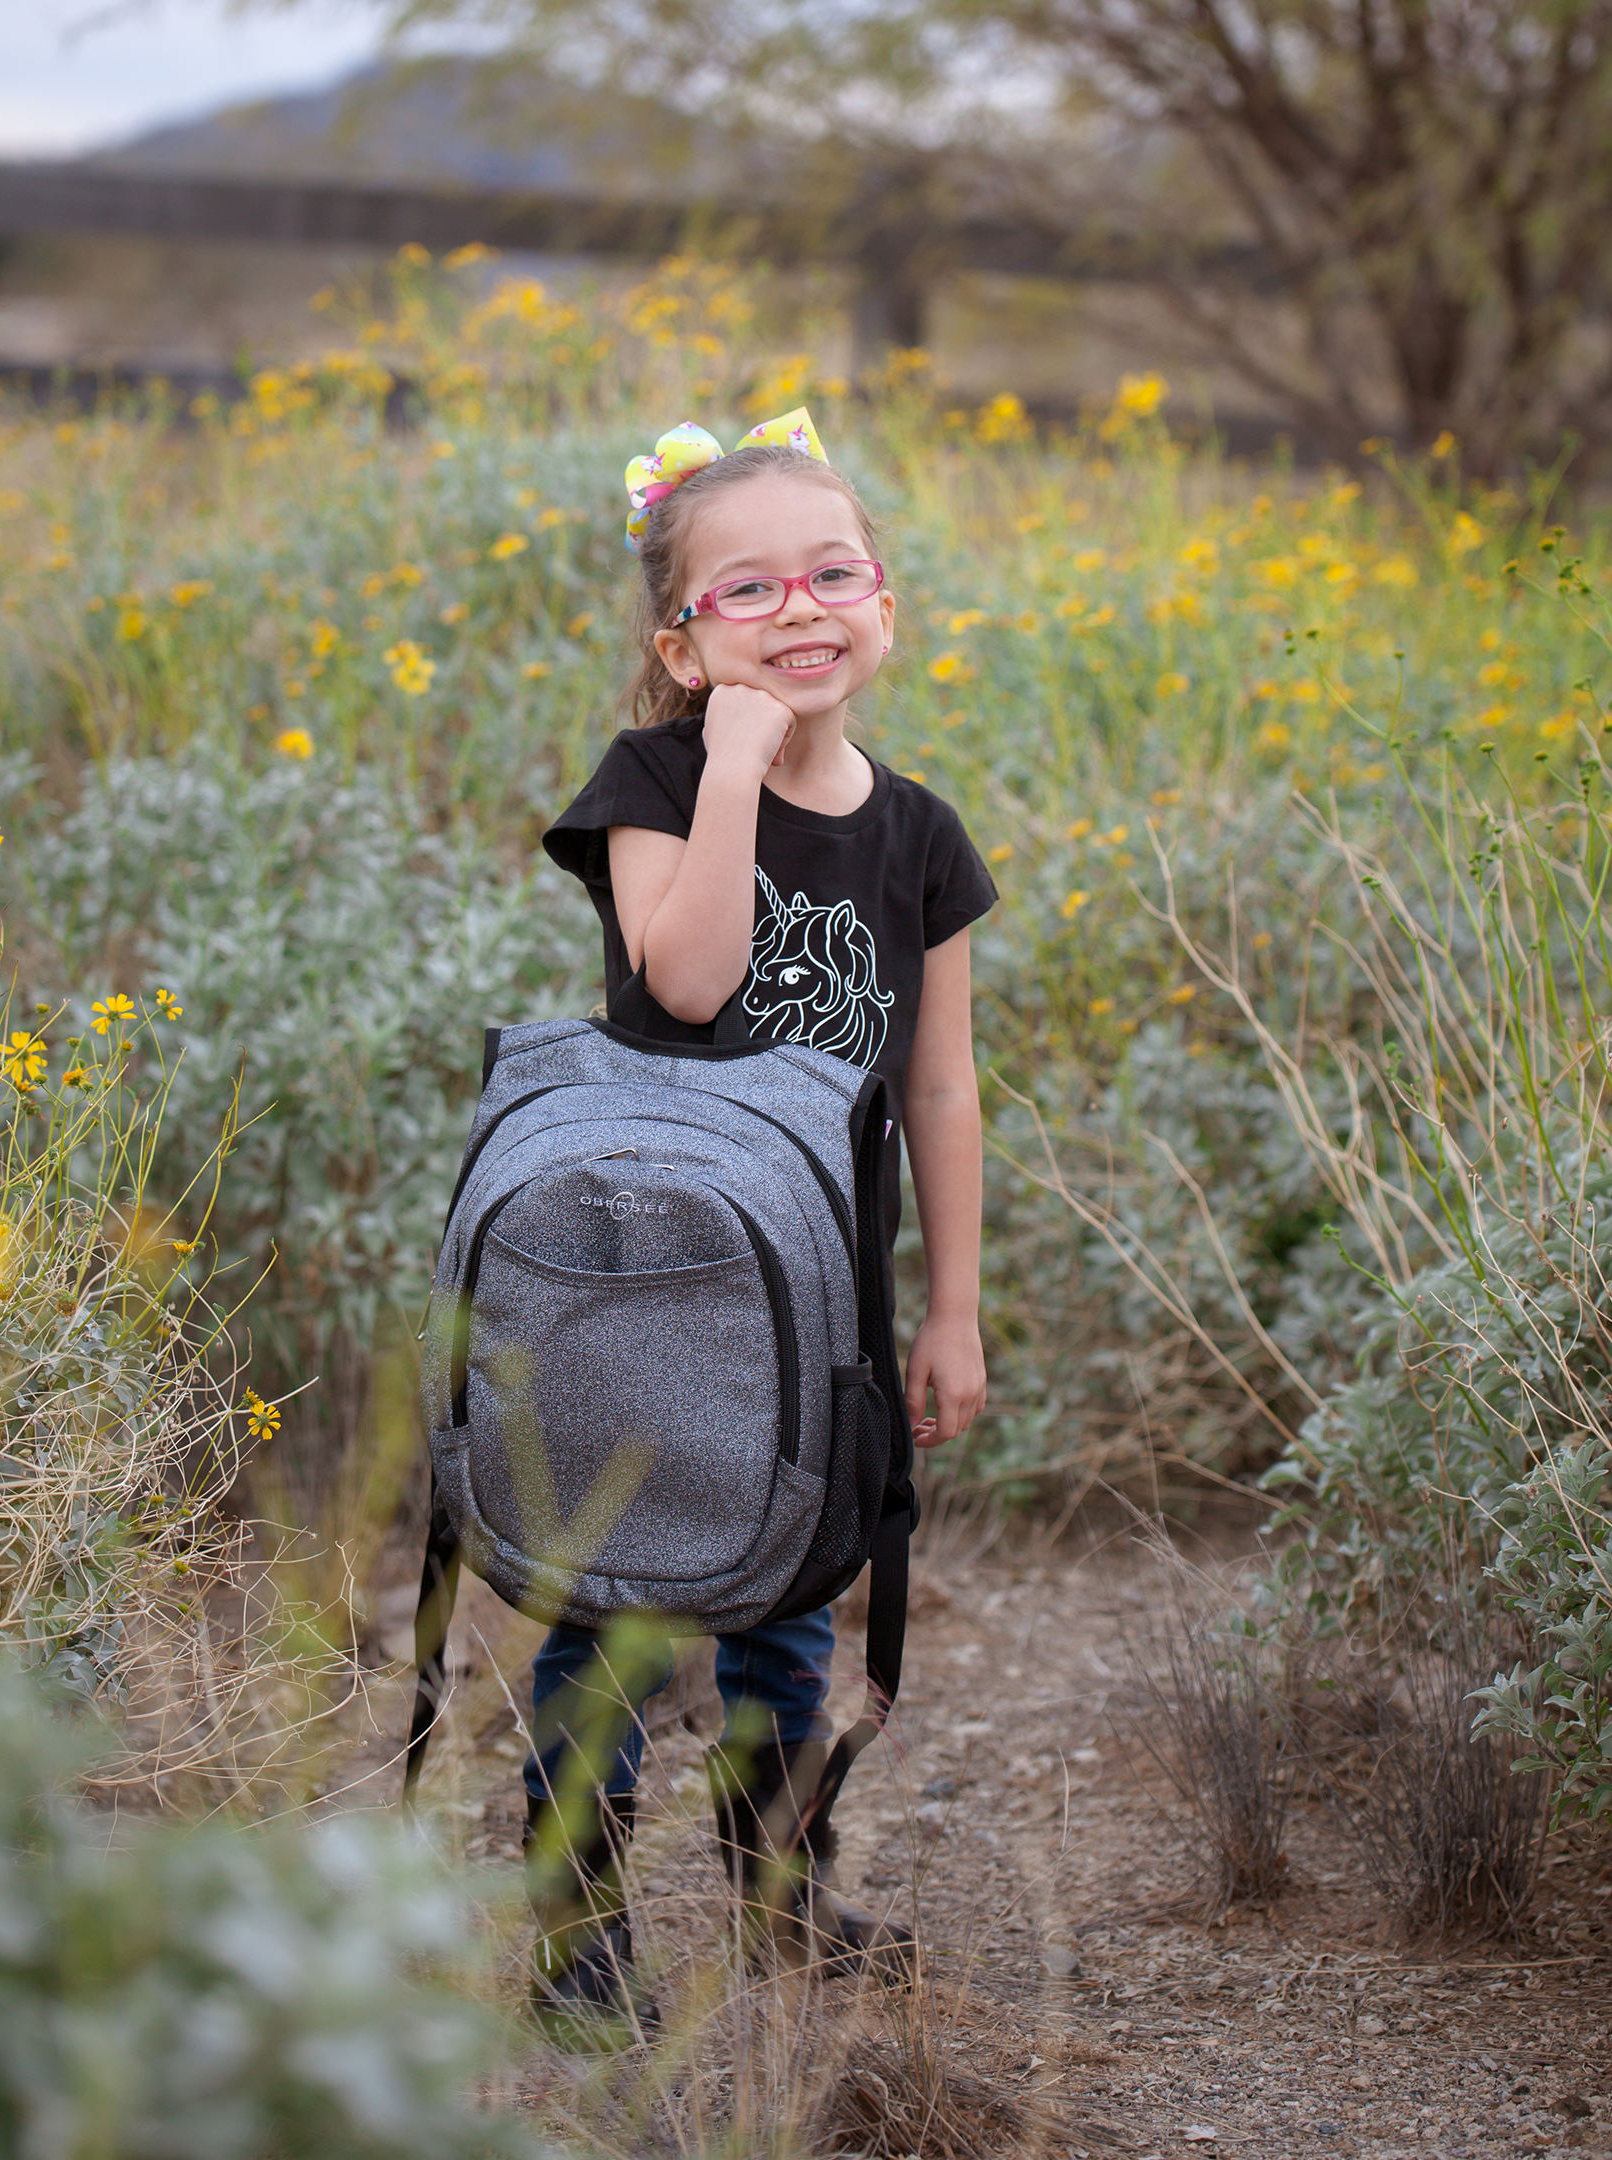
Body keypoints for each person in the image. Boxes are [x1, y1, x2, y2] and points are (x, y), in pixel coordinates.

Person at [526, 407, 996, 2029]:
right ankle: (573, 1928)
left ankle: (780, 1888)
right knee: (611, 1618)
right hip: (645, 1278)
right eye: (749, 591)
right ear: (679, 640)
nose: (802, 609)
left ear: (886, 604)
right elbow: (693, 976)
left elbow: (939, 1090)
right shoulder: (656, 780)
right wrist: (729, 767)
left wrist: (948, 1309)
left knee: (793, 1609)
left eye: (832, 573)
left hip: (822, 1288)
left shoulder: (919, 833)